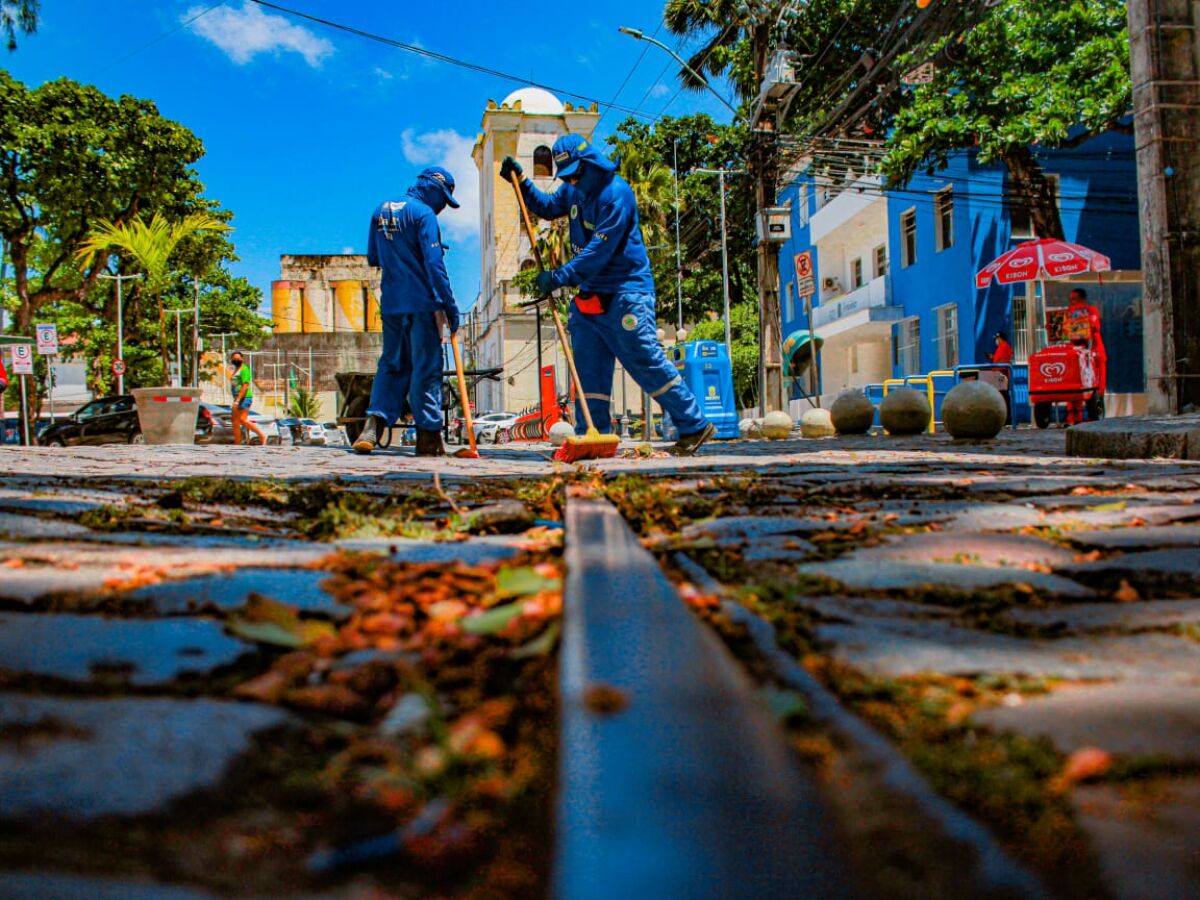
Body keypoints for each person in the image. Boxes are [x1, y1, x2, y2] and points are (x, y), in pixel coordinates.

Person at [500, 136, 714, 456]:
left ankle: (694, 424)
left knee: (645, 360)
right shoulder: (573, 190)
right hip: (588, 297)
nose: (571, 180)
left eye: (575, 173)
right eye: (567, 175)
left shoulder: (616, 194)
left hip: (626, 293)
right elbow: (545, 208)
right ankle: (594, 434)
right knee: (588, 371)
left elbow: (599, 251)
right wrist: (522, 182)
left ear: (592, 164)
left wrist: (559, 277)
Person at [354, 165, 461, 456]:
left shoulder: (380, 210)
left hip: (391, 304)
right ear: (434, 189)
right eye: (444, 200)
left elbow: (374, 257)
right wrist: (450, 307)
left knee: (392, 363)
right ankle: (428, 437)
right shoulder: (424, 214)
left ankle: (372, 426)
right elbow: (435, 266)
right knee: (426, 369)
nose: (442, 209)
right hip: (423, 304)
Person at [1066, 287, 1107, 400]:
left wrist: (1080, 319)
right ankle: (1073, 414)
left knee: (1097, 388)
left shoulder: (1091, 310)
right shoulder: (1069, 313)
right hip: (1077, 353)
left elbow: (1095, 326)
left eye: (1074, 299)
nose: (1071, 302)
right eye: (1070, 299)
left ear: (1082, 300)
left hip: (1094, 351)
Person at [229, 351, 266, 446]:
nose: (236, 360)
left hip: (244, 397)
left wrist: (238, 400)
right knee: (235, 421)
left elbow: (245, 385)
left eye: (238, 358)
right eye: (234, 358)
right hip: (237, 397)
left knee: (242, 420)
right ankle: (237, 442)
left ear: (242, 359)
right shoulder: (235, 369)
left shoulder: (245, 369)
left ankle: (261, 435)